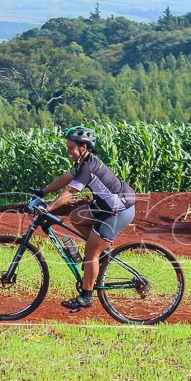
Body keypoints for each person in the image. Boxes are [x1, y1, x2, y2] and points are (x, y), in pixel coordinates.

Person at [31, 126, 137, 311]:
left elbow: (71, 191)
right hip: (106, 206)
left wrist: (48, 207)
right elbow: (65, 179)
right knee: (76, 217)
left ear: (84, 148)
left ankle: (87, 296)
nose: (68, 151)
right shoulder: (82, 163)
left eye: (71, 147)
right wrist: (43, 191)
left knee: (90, 252)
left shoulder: (87, 167)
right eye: (67, 147)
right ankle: (102, 253)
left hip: (119, 210)